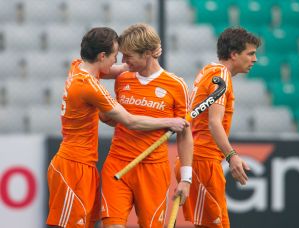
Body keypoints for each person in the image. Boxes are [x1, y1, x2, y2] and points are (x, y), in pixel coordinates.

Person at [46, 27, 188, 228]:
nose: (119, 61)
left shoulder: (77, 66)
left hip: (84, 164)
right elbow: (129, 120)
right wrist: (168, 122)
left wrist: (142, 58)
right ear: (102, 55)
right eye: (116, 56)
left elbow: (111, 71)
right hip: (74, 164)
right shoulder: (91, 87)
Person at [100, 23, 193, 228]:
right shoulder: (122, 78)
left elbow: (185, 135)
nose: (123, 61)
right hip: (118, 163)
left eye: (128, 56)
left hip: (153, 171)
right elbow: (91, 67)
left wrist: (186, 179)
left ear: (148, 53)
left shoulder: (176, 85)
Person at [175, 27, 261, 227]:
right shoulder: (221, 76)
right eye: (250, 53)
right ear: (233, 54)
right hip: (203, 161)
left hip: (198, 159)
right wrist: (232, 156)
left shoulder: (209, 70)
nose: (254, 59)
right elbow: (214, 123)